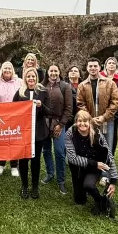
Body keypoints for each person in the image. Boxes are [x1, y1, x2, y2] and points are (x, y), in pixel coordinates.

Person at [65, 110, 118, 218]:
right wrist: (94, 163)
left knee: (88, 185)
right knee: (79, 200)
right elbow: (71, 158)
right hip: (79, 168)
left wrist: (113, 181)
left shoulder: (97, 135)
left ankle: (100, 201)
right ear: (76, 122)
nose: (82, 124)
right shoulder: (70, 133)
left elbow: (109, 157)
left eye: (85, 121)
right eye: (79, 121)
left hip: (94, 168)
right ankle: (94, 195)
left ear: (90, 122)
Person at [77, 58, 118, 186]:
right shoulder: (83, 85)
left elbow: (115, 101)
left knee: (106, 147)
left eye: (95, 66)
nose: (93, 68)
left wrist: (104, 117)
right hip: (89, 122)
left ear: (100, 67)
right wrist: (90, 119)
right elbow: (80, 103)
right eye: (90, 66)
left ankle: (106, 175)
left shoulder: (110, 83)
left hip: (107, 121)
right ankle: (93, 172)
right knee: (91, 146)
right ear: (87, 68)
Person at [13, 66, 52, 199]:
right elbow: (12, 110)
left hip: (38, 132)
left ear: (37, 78)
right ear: (25, 78)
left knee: (35, 160)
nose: (31, 79)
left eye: (33, 76)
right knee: (23, 160)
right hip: (23, 132)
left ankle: (35, 186)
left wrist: (41, 106)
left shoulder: (43, 91)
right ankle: (24, 186)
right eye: (28, 76)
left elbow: (48, 111)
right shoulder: (20, 92)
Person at [41, 64, 73, 194]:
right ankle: (50, 173)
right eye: (51, 70)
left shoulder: (65, 86)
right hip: (44, 123)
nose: (53, 73)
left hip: (59, 123)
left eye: (56, 70)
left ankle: (61, 180)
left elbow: (69, 108)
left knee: (59, 152)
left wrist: (61, 125)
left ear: (59, 72)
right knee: (46, 150)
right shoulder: (42, 86)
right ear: (47, 72)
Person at [0, 62, 23, 177]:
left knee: (13, 140)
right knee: (1, 140)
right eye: (5, 68)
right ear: (1, 69)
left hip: (14, 116)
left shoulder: (19, 82)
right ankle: (1, 163)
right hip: (0, 117)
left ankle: (14, 165)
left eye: (9, 68)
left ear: (12, 70)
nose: (7, 70)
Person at [65, 65, 82, 130]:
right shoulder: (63, 86)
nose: (73, 72)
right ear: (68, 74)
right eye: (71, 71)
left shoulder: (84, 85)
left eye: (75, 71)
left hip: (81, 116)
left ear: (79, 74)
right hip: (67, 117)